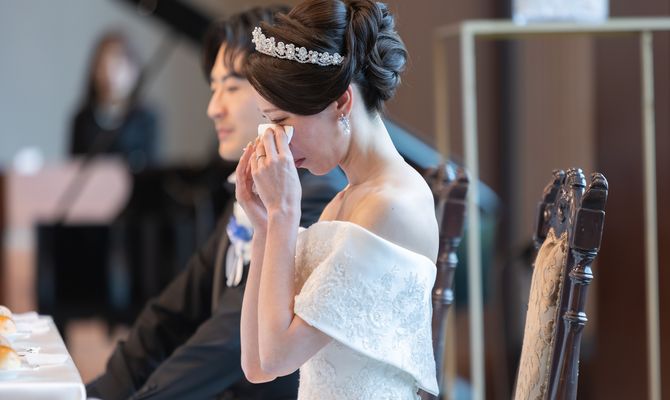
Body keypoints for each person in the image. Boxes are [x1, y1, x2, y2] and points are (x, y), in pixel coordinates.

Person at [85, 6, 346, 399]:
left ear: (274, 87)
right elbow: (171, 313)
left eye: (231, 87)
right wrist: (101, 392)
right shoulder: (252, 194)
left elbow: (226, 343)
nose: (213, 107)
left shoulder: (312, 196)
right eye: (213, 87)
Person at [237, 0, 440, 398]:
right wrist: (264, 227)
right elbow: (257, 365)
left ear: (342, 103)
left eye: (281, 121)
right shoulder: (344, 203)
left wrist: (284, 213)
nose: (276, 141)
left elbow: (278, 359)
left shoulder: (391, 207)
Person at [70, 32, 157, 172]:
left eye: (117, 65)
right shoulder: (82, 119)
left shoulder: (146, 119)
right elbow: (74, 169)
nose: (109, 74)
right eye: (103, 65)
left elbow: (151, 169)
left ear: (134, 71)